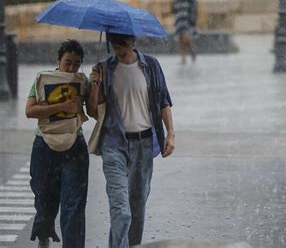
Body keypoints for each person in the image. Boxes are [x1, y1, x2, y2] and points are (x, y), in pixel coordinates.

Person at [88, 32, 175, 248]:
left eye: (123, 43)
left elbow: (164, 100)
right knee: (121, 210)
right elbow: (92, 111)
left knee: (137, 209)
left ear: (134, 41)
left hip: (144, 144)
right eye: (114, 43)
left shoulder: (151, 65)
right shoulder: (104, 69)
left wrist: (170, 133)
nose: (118, 47)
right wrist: (95, 85)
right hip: (114, 145)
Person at [25, 39, 90, 248]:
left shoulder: (83, 82)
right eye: (67, 62)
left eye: (77, 64)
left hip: (75, 146)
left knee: (74, 206)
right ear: (58, 61)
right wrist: (62, 106)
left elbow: (95, 112)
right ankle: (44, 234)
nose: (71, 68)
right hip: (44, 145)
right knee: (44, 200)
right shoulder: (42, 80)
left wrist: (96, 85)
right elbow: (30, 111)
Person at [172, 0, 198, 64]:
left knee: (189, 41)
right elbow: (174, 11)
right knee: (180, 41)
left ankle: (193, 58)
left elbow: (194, 11)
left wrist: (193, 21)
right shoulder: (176, 1)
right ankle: (183, 59)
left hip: (187, 23)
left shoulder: (191, 0)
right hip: (179, 23)